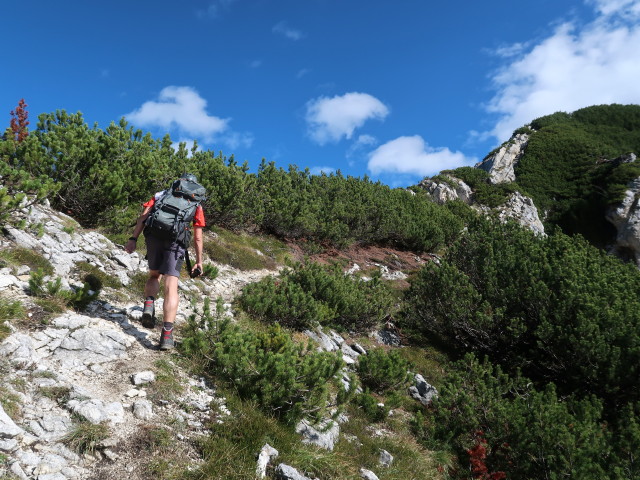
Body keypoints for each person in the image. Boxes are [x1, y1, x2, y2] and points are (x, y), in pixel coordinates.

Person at [124, 173, 205, 350]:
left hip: (154, 237)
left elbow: (143, 218)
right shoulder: (196, 204)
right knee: (171, 285)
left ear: (179, 182)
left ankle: (149, 304)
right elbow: (198, 238)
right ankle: (167, 335)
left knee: (154, 276)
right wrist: (199, 262)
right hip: (176, 243)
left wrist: (133, 239)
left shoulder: (161, 195)